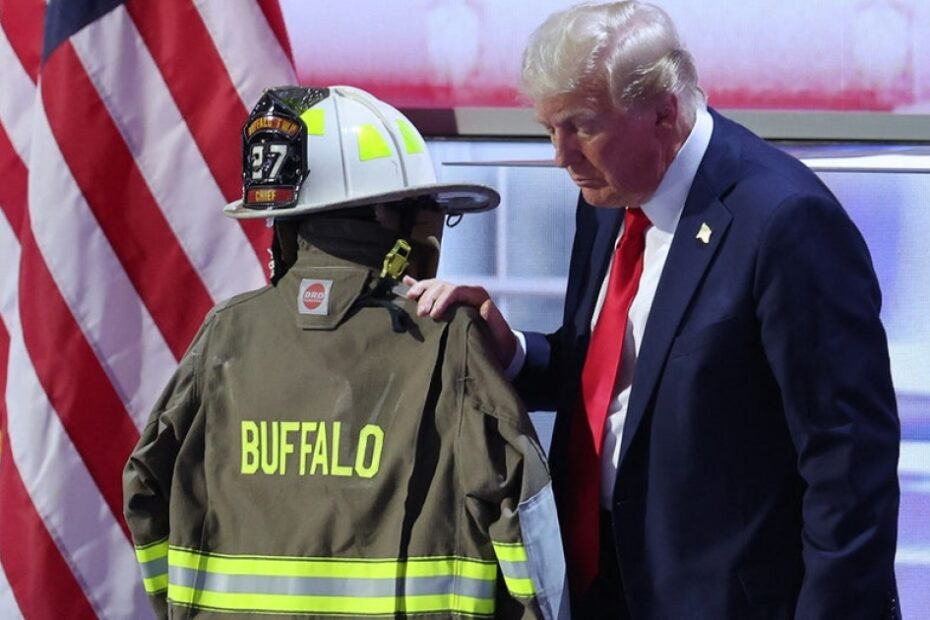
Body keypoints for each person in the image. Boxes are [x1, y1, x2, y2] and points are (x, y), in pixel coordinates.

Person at [405, 3, 901, 618]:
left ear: (664, 110)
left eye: (580, 126)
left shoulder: (786, 223)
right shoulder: (610, 194)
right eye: (547, 129)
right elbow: (616, 376)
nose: (561, 155)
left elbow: (850, 469)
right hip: (599, 585)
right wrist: (512, 353)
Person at [123, 85, 569, 619]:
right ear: (394, 219)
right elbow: (525, 510)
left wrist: (181, 606)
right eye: (427, 212)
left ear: (286, 228)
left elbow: (145, 485)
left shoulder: (224, 335)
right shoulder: (447, 338)